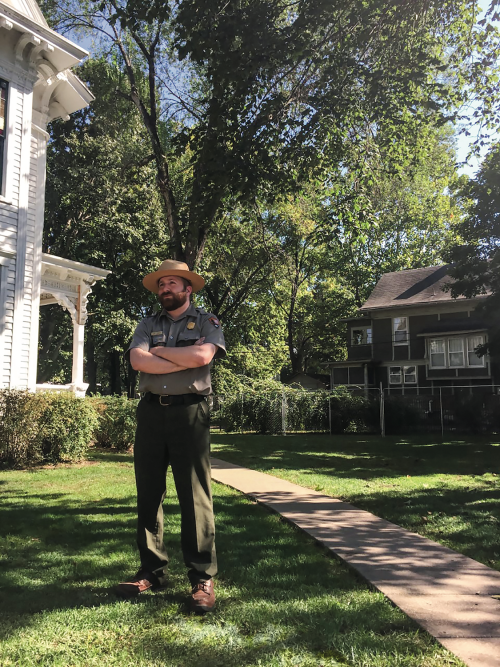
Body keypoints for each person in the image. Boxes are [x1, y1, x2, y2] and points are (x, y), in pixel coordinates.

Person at [116, 259, 226, 613]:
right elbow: (137, 361)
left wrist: (160, 352)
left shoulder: (206, 322)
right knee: (149, 492)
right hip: (150, 412)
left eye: (172, 284)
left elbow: (203, 355)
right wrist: (181, 359)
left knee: (195, 496)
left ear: (187, 289)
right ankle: (151, 570)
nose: (165, 289)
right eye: (161, 284)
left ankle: (202, 578)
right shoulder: (147, 323)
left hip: (190, 412)